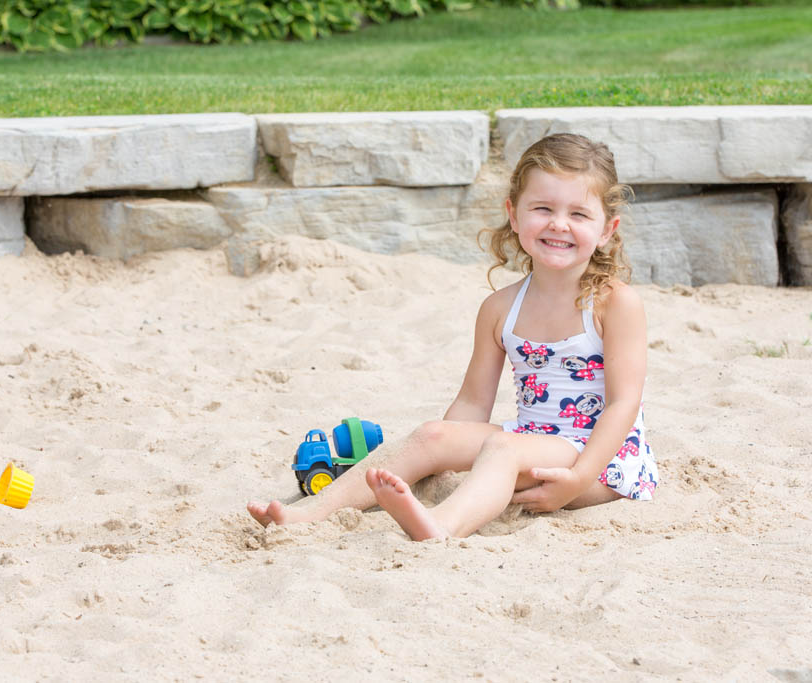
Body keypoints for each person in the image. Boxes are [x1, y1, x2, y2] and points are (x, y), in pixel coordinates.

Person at [247, 133, 658, 541]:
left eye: (579, 215)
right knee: (431, 434)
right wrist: (442, 450)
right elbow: (473, 401)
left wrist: (576, 476)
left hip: (601, 462)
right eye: (543, 208)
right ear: (514, 216)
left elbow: (624, 404)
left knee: (503, 449)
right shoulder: (500, 310)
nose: (558, 224)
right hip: (535, 444)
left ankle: (440, 525)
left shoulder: (614, 304)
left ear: (607, 228)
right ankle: (312, 513)